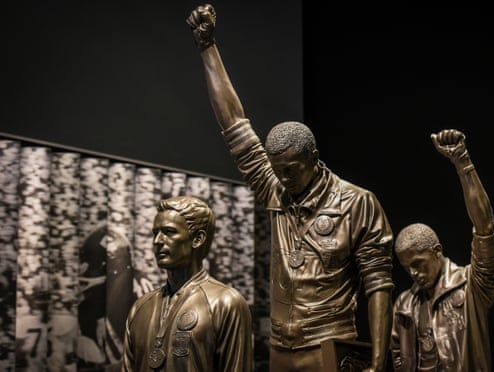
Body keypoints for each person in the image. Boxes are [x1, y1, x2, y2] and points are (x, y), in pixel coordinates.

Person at [186, 5, 395, 372]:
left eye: (292, 170)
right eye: (277, 170)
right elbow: (235, 125)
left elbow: (378, 283)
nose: (283, 178)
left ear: (314, 158)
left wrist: (378, 358)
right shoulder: (275, 191)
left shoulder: (357, 202)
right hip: (281, 347)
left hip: (330, 346)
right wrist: (208, 47)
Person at [390, 129, 494, 372]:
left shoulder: (472, 285)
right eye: (407, 268)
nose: (413, 273)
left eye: (418, 263)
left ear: (437, 251)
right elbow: (398, 356)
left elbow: (485, 230)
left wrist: (463, 162)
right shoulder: (404, 304)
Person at [121, 195, 253, 372]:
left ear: (197, 238)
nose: (157, 241)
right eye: (155, 233)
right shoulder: (140, 307)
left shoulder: (226, 302)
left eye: (169, 232)